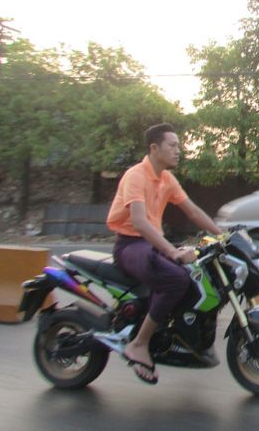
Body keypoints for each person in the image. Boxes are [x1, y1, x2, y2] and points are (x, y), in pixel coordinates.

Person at [106, 123, 222, 384]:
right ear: (154, 148)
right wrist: (171, 251)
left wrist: (221, 235)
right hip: (129, 246)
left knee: (191, 275)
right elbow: (139, 222)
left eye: (179, 146)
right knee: (176, 278)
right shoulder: (136, 176)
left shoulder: (167, 179)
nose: (178, 151)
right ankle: (139, 343)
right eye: (173, 145)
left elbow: (192, 211)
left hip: (148, 244)